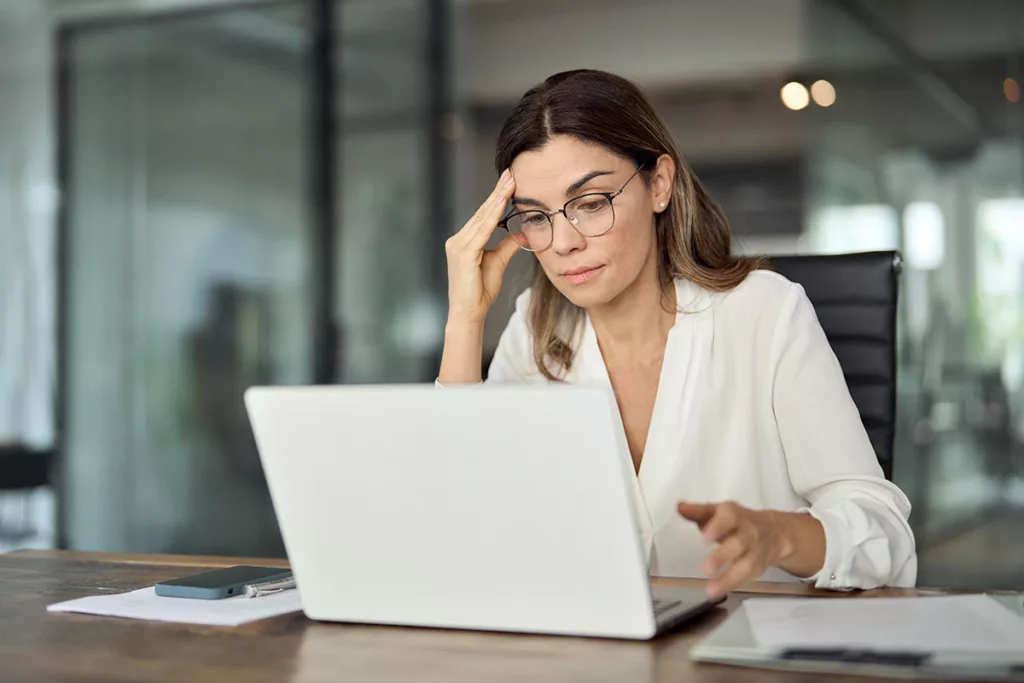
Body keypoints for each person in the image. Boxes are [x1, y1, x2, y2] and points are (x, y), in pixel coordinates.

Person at [438, 69, 916, 598]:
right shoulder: (535, 329)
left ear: (659, 184)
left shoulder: (764, 312)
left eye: (591, 203)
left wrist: (779, 535)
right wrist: (464, 320)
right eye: (535, 217)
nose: (563, 242)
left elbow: (884, 532)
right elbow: (461, 526)